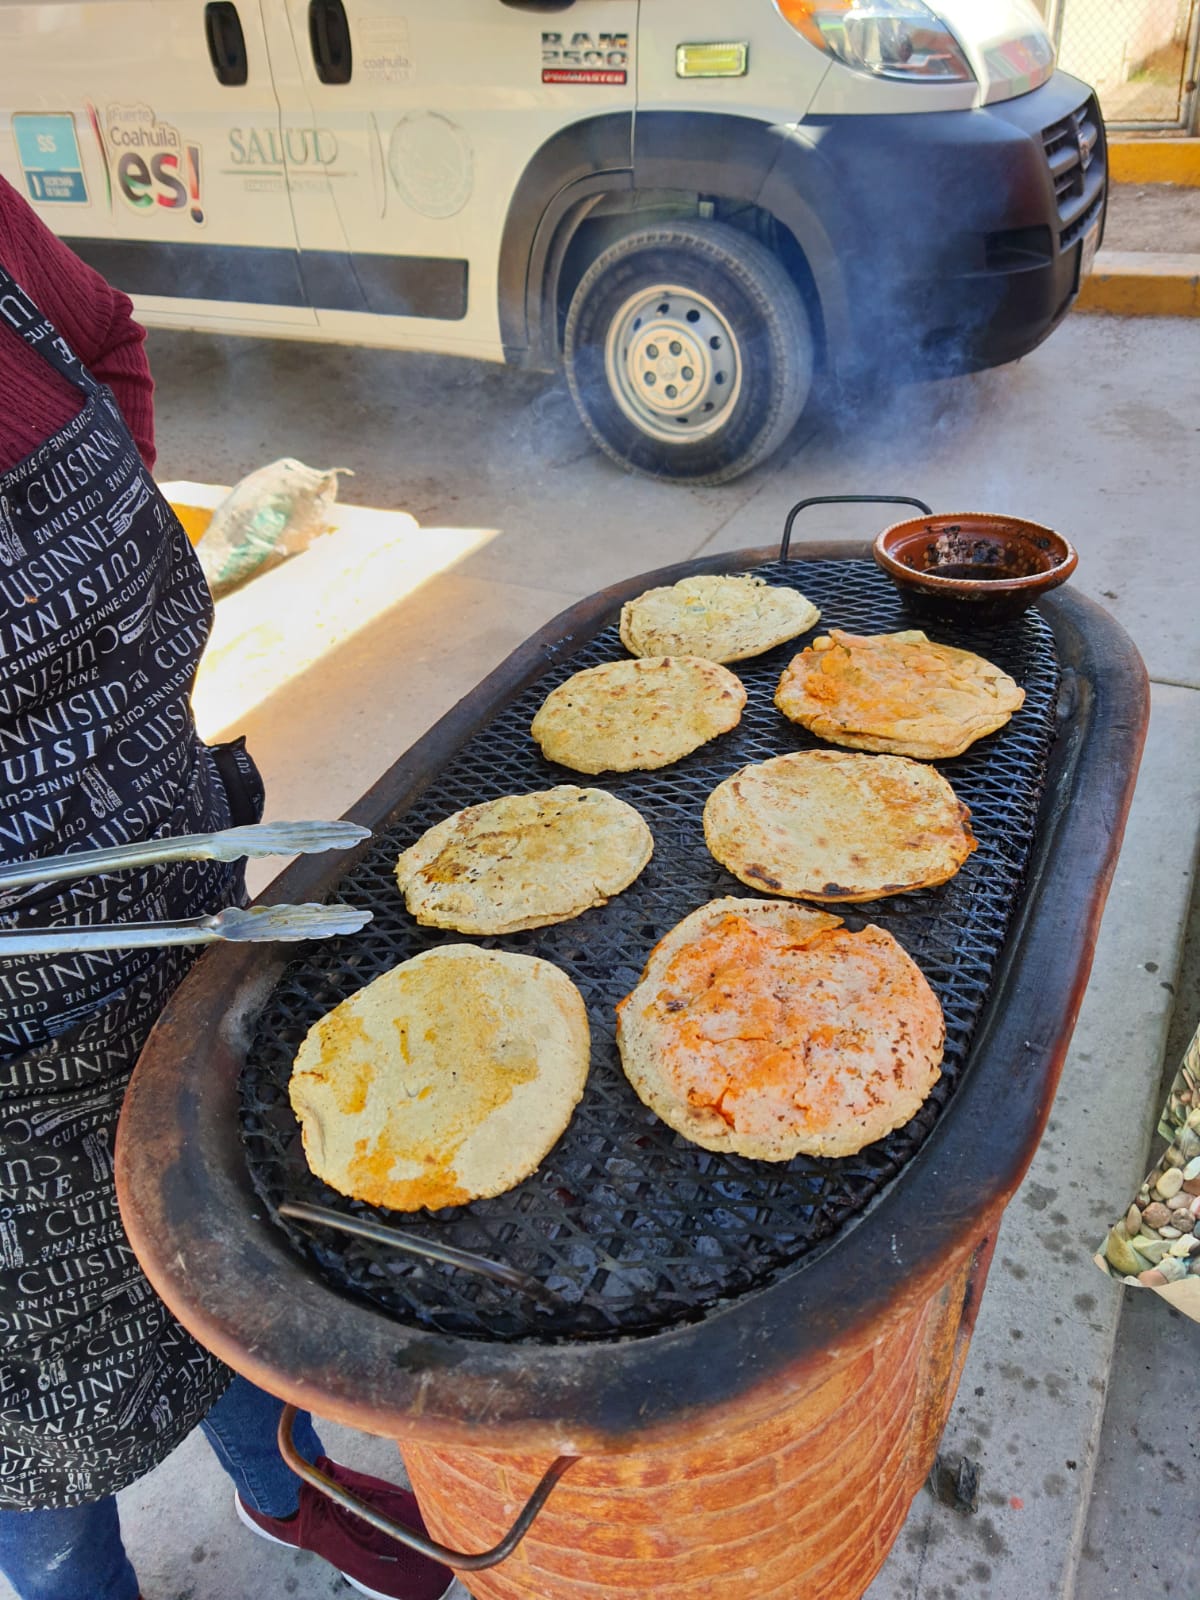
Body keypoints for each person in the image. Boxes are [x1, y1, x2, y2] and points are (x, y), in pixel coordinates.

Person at [0, 173, 457, 1600]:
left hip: (178, 892)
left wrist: (126, 580)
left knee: (231, 1272)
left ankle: (283, 1487)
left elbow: (104, 332)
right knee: (40, 1453)